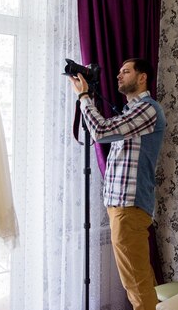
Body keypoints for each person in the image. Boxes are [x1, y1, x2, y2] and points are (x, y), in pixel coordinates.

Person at [69, 58, 166, 310]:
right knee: (139, 277)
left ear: (142, 77)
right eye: (119, 71)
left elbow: (100, 132)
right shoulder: (131, 111)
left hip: (129, 207)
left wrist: (84, 97)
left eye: (125, 71)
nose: (118, 76)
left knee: (136, 283)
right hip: (122, 207)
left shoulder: (148, 109)